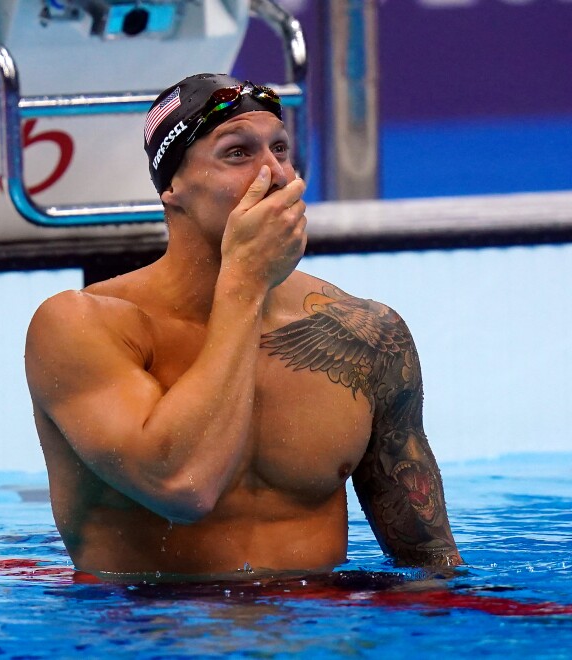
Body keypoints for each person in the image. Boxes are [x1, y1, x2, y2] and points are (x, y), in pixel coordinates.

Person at [25, 73, 462, 581]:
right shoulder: (83, 324)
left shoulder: (365, 333)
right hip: (147, 630)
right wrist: (244, 284)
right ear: (172, 187)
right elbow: (183, 486)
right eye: (238, 153)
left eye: (281, 149)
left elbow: (428, 563)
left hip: (317, 624)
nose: (274, 175)